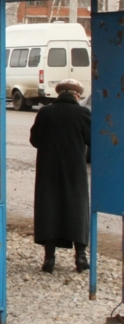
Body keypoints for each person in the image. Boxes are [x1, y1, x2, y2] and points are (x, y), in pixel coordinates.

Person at [29, 78, 91, 274]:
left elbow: (35, 140)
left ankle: (49, 259)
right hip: (75, 171)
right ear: (76, 95)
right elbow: (91, 140)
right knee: (77, 208)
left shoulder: (45, 112)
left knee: (49, 208)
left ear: (59, 94)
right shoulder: (83, 113)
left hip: (48, 170)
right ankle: (80, 257)